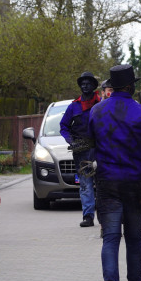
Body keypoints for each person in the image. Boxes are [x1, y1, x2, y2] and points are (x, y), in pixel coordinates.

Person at [85, 65, 141, 281]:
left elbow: (89, 144)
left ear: (112, 86)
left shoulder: (96, 111)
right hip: (135, 183)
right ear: (130, 86)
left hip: (106, 182)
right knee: (133, 237)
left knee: (110, 237)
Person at [60, 71, 101, 228]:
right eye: (82, 83)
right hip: (81, 152)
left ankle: (104, 216)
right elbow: (63, 126)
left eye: (88, 83)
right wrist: (71, 140)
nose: (85, 86)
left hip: (100, 151)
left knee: (102, 183)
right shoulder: (73, 107)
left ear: (93, 86)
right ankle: (88, 216)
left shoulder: (101, 104)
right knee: (85, 184)